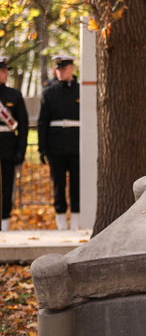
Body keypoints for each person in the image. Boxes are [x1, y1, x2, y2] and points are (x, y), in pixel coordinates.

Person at [37, 55, 81, 230]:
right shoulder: (49, 92)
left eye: (63, 69)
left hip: (77, 145)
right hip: (56, 146)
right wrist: (42, 149)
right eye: (57, 69)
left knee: (77, 183)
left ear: (71, 68)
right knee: (59, 185)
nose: (59, 72)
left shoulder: (81, 90)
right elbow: (42, 122)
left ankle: (77, 221)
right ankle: (61, 222)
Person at [0, 54, 28, 231]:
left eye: (5, 71)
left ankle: (5, 222)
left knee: (6, 187)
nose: (5, 74)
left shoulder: (14, 95)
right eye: (2, 71)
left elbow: (23, 126)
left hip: (7, 147)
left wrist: (20, 151)